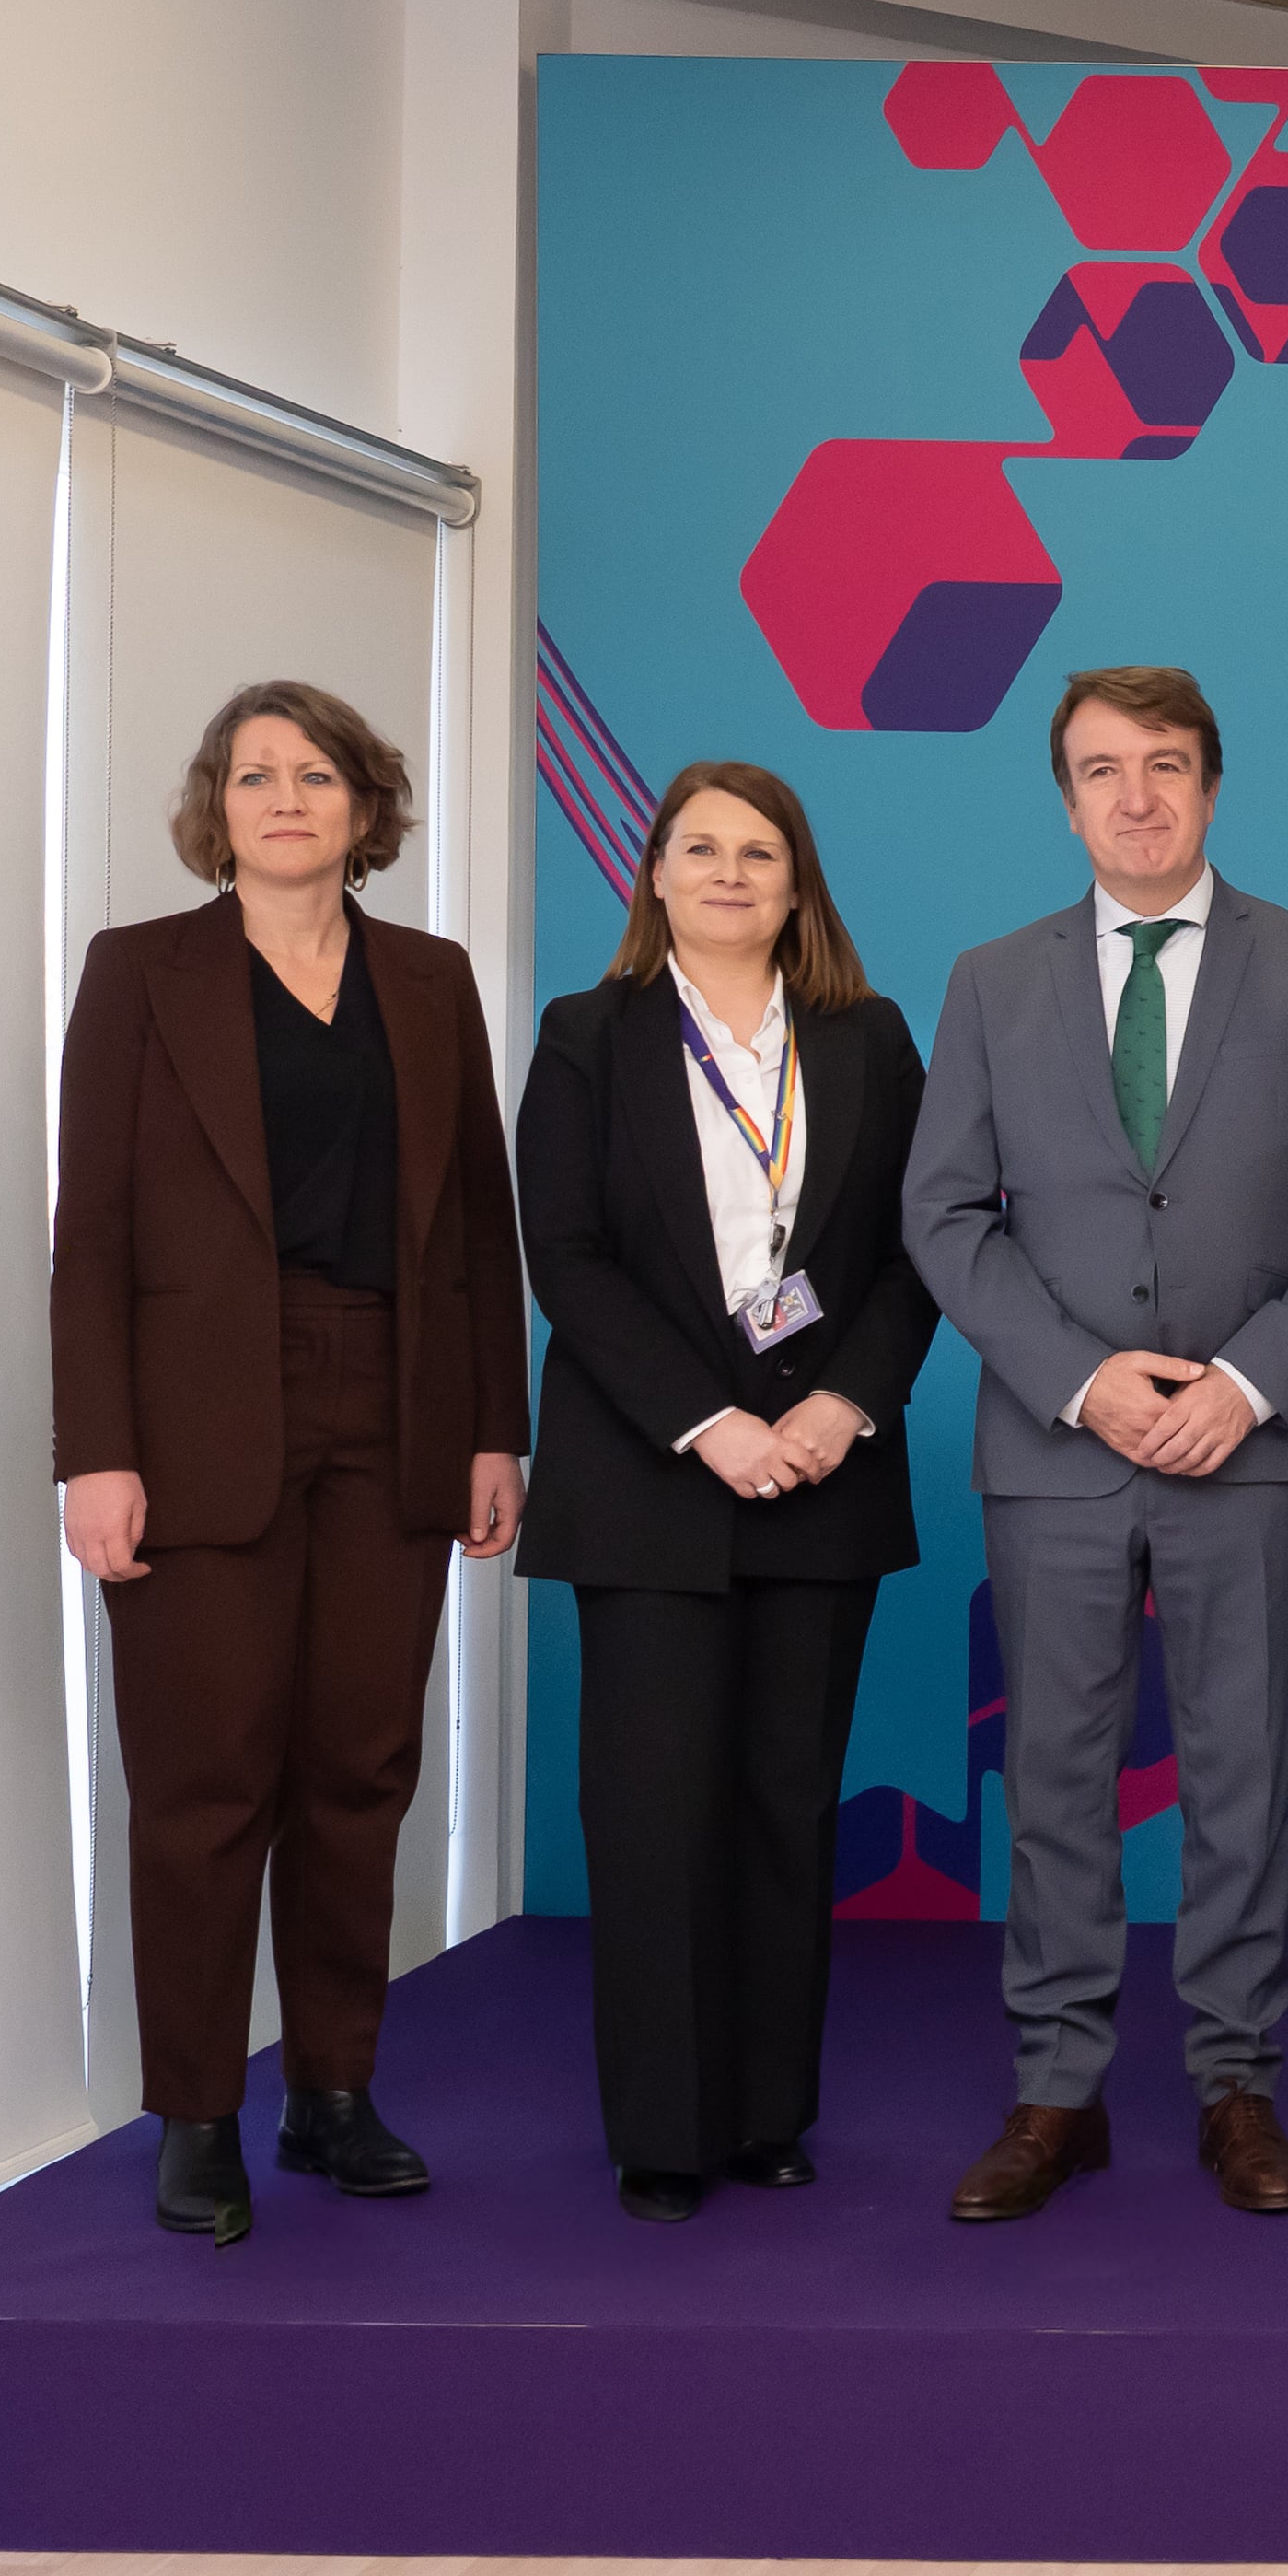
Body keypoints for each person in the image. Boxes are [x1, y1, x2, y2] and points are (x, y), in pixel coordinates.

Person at [901, 665, 1288, 2222]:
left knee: (1238, 1779)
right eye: (1104, 768)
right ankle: (1057, 2091)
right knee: (1053, 1775)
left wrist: (1242, 1385)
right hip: (1058, 1448)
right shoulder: (993, 981)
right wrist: (1082, 1380)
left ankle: (1235, 2083)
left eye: (1168, 764)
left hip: (1250, 1449)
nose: (1138, 795)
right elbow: (942, 1211)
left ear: (1212, 784)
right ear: (1064, 797)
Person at [51, 682, 528, 2245]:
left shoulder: (430, 978)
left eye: (313, 772)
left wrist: (490, 1428)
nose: (283, 795)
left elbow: (475, 1227)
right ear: (218, 808)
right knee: (204, 1780)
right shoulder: (141, 974)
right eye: (252, 773)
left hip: (393, 1403)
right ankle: (200, 2109)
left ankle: (331, 2091)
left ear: (362, 805)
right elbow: (93, 1241)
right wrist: (96, 1454)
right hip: (197, 1426)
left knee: (358, 1769)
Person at [516, 763, 938, 2224]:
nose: (730, 872)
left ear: (798, 879)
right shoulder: (589, 1036)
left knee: (782, 1808)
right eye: (700, 846)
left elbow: (911, 1250)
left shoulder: (871, 1040)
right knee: (651, 1815)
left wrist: (839, 1403)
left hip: (821, 1476)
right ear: (651, 873)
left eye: (761, 850)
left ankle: (767, 2111)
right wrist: (708, 1420)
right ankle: (661, 2127)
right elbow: (565, 1255)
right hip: (649, 1480)